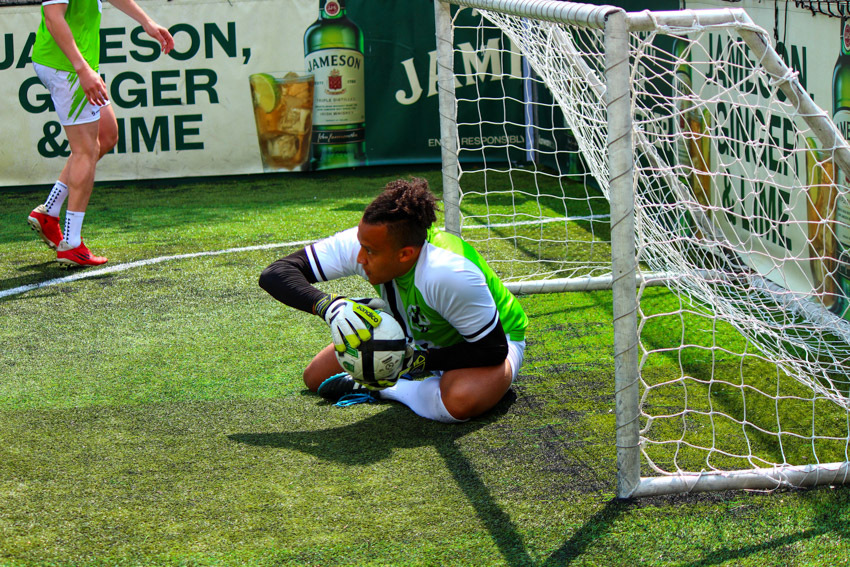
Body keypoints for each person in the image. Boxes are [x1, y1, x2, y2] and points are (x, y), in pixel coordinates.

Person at [259, 178, 528, 423]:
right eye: (361, 246)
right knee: (316, 377)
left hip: (491, 341)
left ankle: (391, 388)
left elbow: (492, 349)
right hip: (418, 330)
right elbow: (276, 274)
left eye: (369, 252)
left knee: (459, 401)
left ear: (405, 254)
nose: (359, 258)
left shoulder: (449, 272)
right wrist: (329, 306)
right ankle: (400, 372)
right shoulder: (373, 239)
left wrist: (416, 361)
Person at [27, 0, 174, 267]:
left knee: (106, 135)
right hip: (66, 67)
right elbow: (53, 17)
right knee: (85, 149)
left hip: (78, 62)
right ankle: (71, 244)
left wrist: (147, 22)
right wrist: (82, 69)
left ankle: (49, 212)